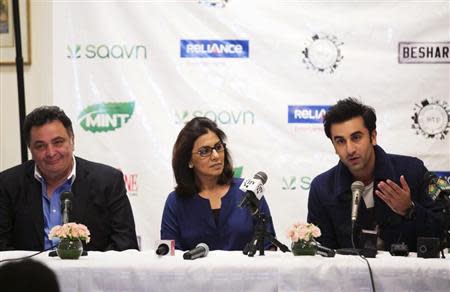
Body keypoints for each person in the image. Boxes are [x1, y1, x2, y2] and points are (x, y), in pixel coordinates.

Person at [307, 98, 442, 252]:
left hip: (410, 274)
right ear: (334, 147)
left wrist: (410, 210)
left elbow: (442, 229)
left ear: (373, 136)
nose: (350, 149)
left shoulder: (413, 171)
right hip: (349, 275)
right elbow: (322, 253)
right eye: (340, 141)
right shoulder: (322, 188)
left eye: (356, 137)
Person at [0, 106, 139, 251]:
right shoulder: (7, 184)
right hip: (31, 273)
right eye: (40, 146)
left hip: (91, 273)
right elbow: (2, 247)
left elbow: (125, 245)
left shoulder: (108, 181)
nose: (51, 152)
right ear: (30, 148)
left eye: (58, 142)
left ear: (72, 140)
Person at [161, 117, 276, 251]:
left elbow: (269, 247)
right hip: (194, 272)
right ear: (189, 160)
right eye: (204, 151)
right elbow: (169, 257)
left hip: (248, 272)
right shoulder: (176, 201)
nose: (215, 156)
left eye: (218, 147)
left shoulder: (249, 191)